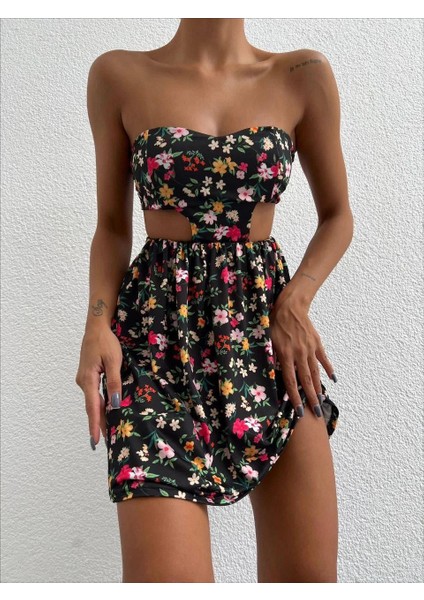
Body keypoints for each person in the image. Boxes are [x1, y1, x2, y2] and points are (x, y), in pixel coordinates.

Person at [75, 18, 352, 583]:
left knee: (308, 581)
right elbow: (112, 226)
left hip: (268, 341)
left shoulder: (303, 73)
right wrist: (96, 325)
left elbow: (338, 216)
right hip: (154, 346)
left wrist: (296, 302)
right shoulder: (117, 75)